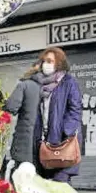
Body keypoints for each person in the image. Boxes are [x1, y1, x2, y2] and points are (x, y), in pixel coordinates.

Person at [31, 47, 82, 184]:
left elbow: (75, 108)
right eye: (43, 61)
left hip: (62, 141)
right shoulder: (38, 83)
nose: (45, 64)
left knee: (61, 184)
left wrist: (67, 131)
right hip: (43, 141)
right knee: (45, 184)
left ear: (59, 63)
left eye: (50, 61)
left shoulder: (68, 82)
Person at [3, 62, 44, 182]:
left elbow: (11, 107)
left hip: (25, 139)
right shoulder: (53, 87)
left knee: (21, 177)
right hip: (47, 142)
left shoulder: (25, 85)